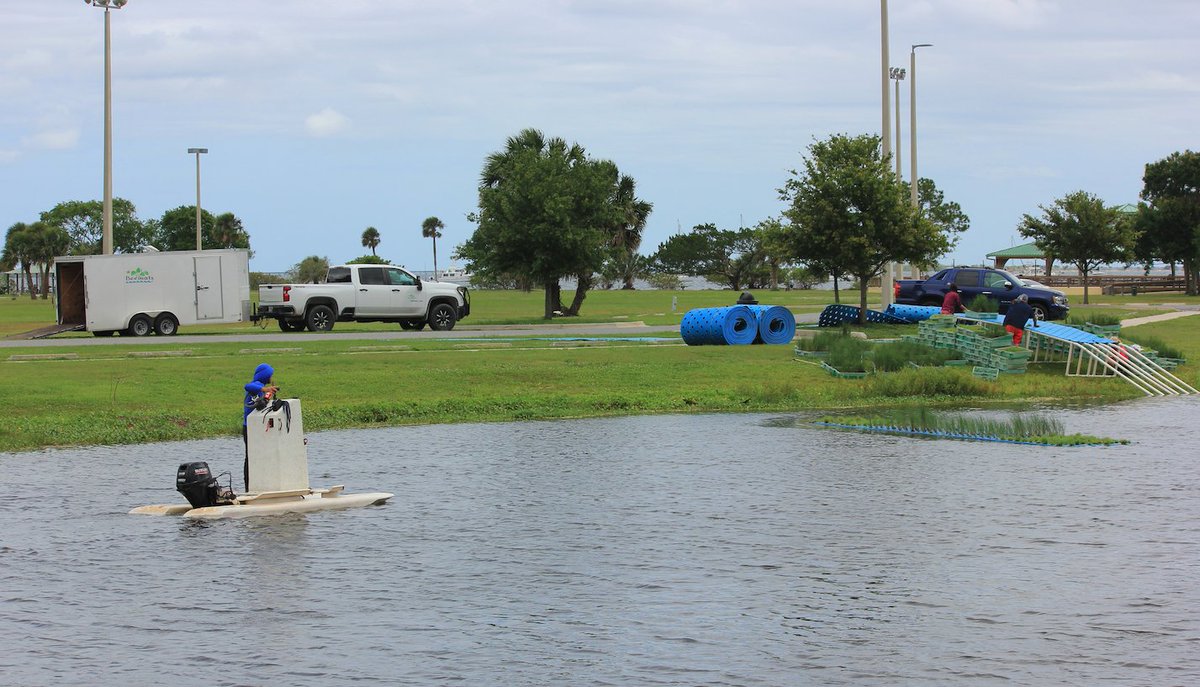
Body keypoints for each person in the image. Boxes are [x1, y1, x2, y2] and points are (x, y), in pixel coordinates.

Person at [242, 363, 278, 492]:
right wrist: (265, 389)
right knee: (250, 457)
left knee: (260, 456)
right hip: (249, 428)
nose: (271, 377)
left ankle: (261, 484)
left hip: (258, 428)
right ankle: (248, 487)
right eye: (270, 375)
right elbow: (247, 386)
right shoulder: (256, 385)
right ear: (264, 375)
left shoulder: (262, 389)